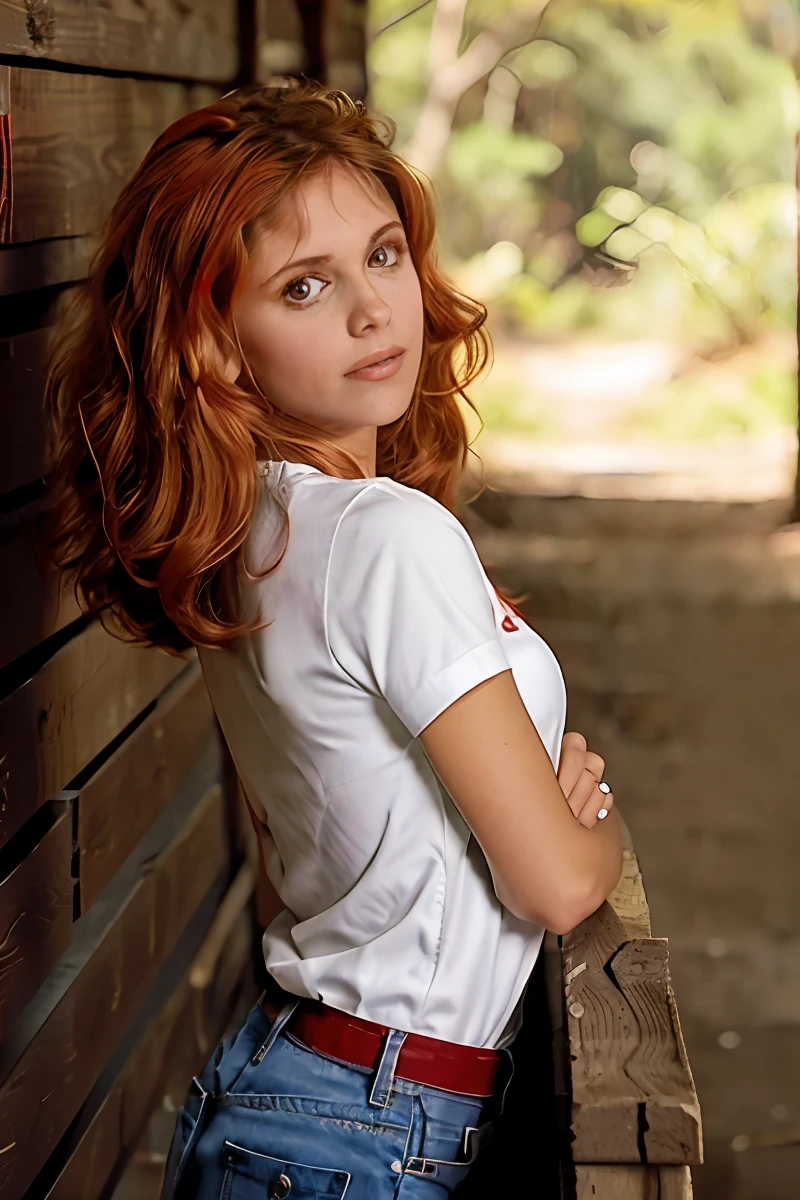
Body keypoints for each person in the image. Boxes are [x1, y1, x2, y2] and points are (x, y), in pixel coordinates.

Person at [44, 79, 623, 1200]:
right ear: (214, 338)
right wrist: (584, 825)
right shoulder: (382, 537)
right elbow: (554, 888)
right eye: (304, 285)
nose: (373, 311)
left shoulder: (252, 525)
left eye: (384, 255)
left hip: (311, 1098)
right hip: (370, 1125)